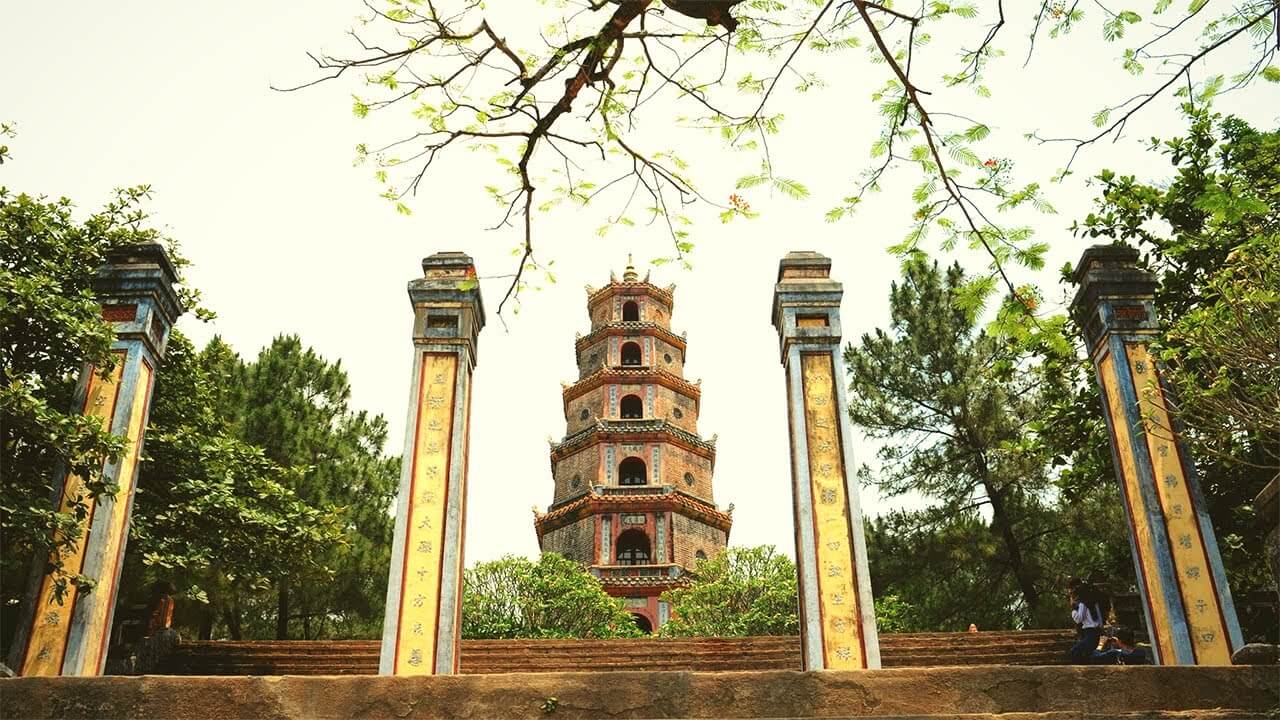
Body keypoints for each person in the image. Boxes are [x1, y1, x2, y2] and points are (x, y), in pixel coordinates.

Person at [1066, 578, 1106, 664]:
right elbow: (1099, 616)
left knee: (1075, 651)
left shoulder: (1082, 604)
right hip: (1094, 631)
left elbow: (1079, 619)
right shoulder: (1093, 602)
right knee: (1087, 654)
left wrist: (1073, 610)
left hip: (1090, 632)